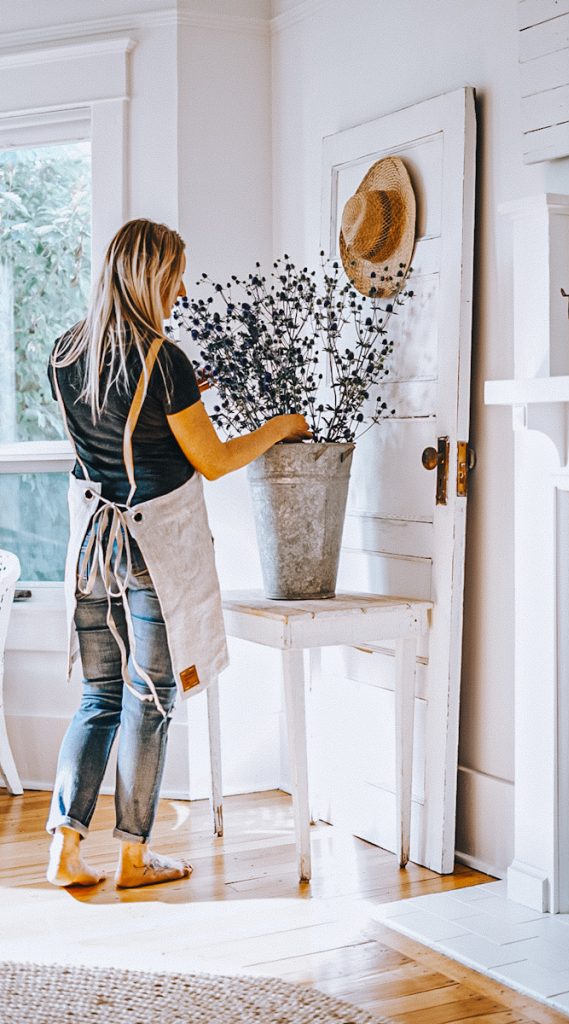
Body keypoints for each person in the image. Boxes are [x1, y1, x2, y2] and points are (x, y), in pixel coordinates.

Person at [46, 219, 311, 888]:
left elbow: (114, 426)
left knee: (99, 696)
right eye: (175, 275)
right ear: (149, 276)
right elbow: (213, 460)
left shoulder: (64, 352)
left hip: (91, 545)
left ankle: (64, 852)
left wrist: (194, 396)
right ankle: (135, 857)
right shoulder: (165, 360)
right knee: (153, 697)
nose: (183, 290)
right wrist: (282, 426)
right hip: (152, 548)